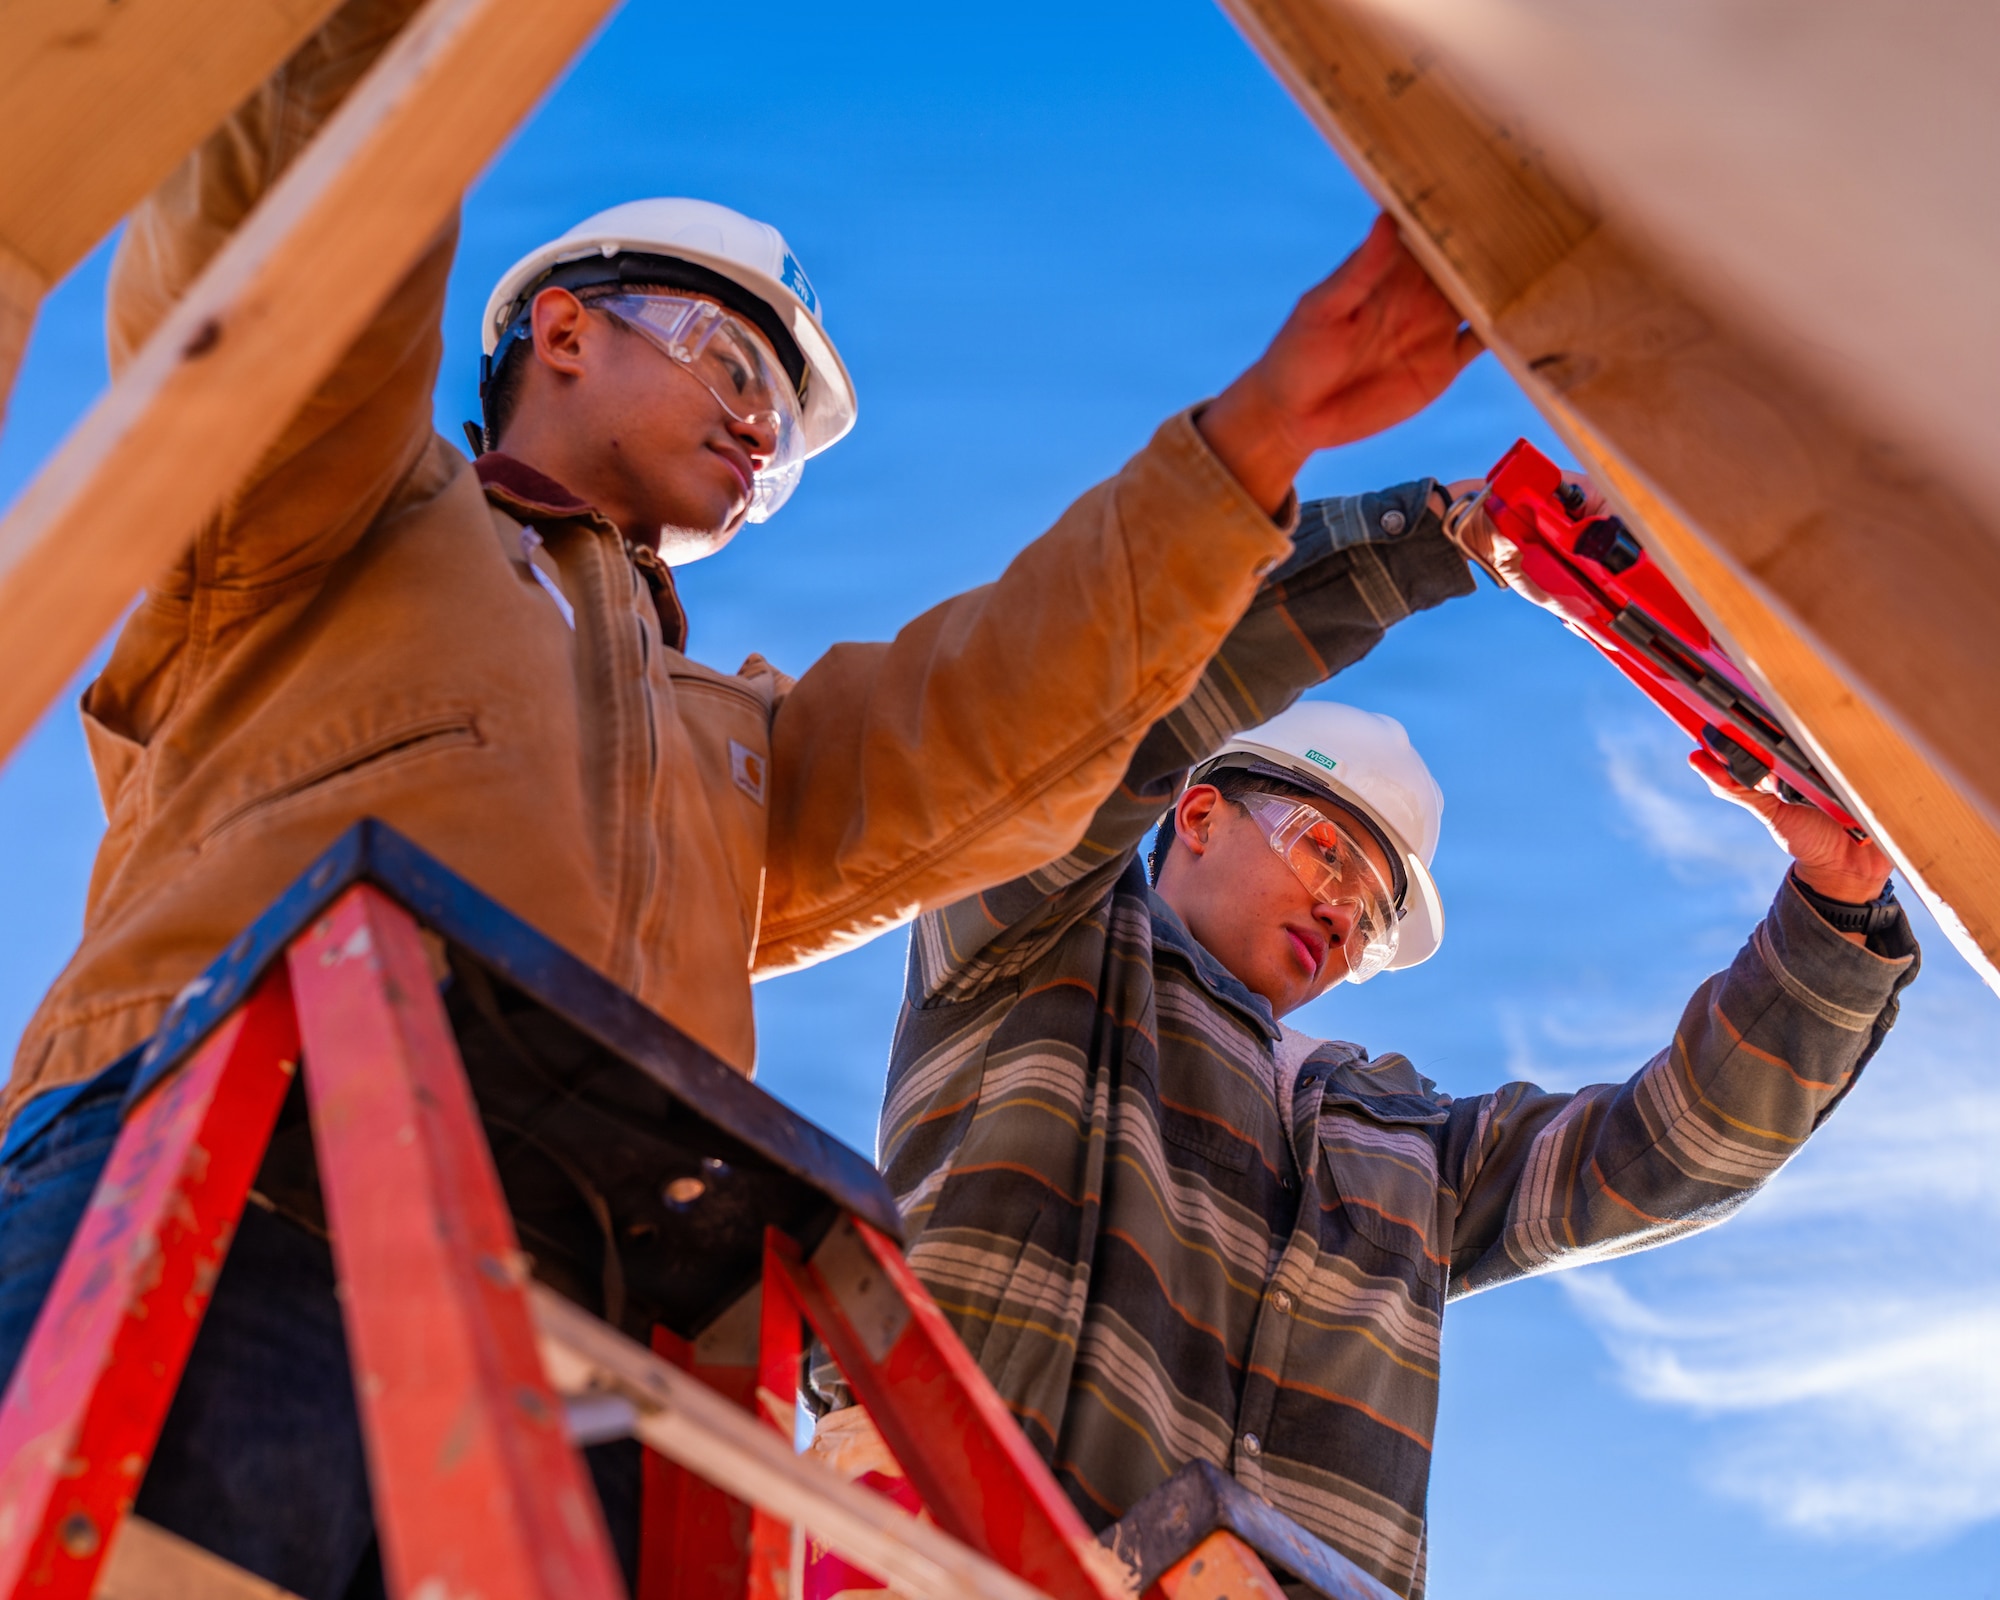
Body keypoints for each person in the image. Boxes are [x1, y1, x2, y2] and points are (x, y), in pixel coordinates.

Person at [0, 0, 1482, 1592]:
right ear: (561, 331)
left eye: (780, 434)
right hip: (238, 1182)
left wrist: (1255, 439)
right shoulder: (333, 520)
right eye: (728, 359)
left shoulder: (739, 743)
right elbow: (299, 246)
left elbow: (996, 713)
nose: (761, 425)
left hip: (591, 1314)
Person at [808, 486, 1920, 1600]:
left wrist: (1832, 911)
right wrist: (1428, 540)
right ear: (1195, 814)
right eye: (1328, 856)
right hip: (953, 1549)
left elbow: (1665, 1152)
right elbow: (1113, 718)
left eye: (1376, 912)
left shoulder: (1407, 1156)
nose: (1344, 917)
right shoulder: (1035, 934)